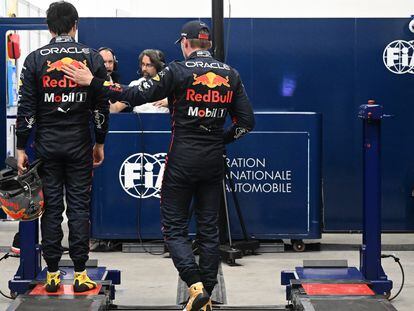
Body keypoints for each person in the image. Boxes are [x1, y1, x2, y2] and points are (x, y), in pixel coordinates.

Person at [62, 20, 254, 311]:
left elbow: (135, 95)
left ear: (186, 43)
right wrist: (221, 140)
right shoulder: (232, 74)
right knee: (209, 229)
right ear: (209, 45)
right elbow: (247, 123)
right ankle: (205, 297)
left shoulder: (178, 70)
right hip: (213, 159)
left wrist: (95, 82)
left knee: (174, 228)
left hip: (182, 160)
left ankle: (196, 286)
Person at [16, 1, 109, 293]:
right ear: (75, 24)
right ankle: (81, 273)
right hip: (80, 145)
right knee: (80, 208)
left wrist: (21, 147)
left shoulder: (34, 59)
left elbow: (27, 109)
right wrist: (100, 141)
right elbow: (101, 105)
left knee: (52, 209)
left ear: (48, 26)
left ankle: (53, 274)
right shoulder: (91, 57)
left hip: (47, 147)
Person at [110, 48, 169, 113]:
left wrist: (170, 103)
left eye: (148, 65)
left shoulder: (171, 85)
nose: (144, 69)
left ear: (159, 66)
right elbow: (114, 109)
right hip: (138, 122)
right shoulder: (135, 84)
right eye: (143, 64)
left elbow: (181, 108)